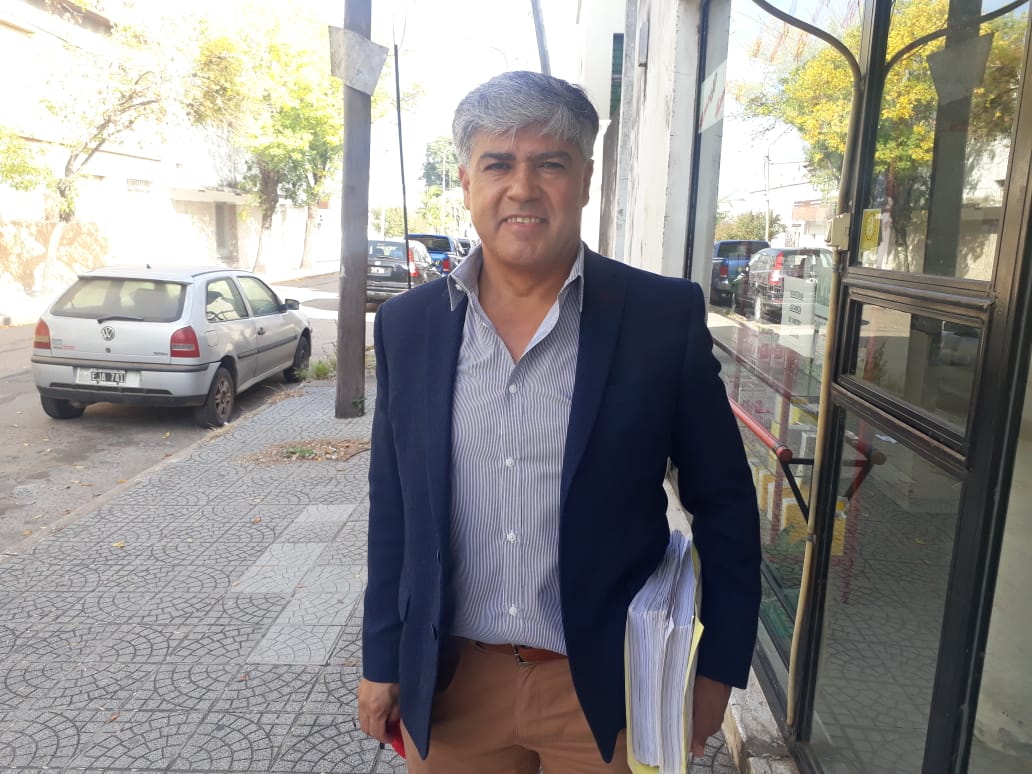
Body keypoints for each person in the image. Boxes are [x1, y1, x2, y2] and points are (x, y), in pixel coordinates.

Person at [358, 70, 761, 773]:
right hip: (454, 688)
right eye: (498, 164)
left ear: (585, 180)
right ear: (466, 182)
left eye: (550, 163)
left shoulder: (659, 318)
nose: (522, 187)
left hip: (609, 688)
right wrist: (381, 656)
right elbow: (394, 505)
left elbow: (725, 503)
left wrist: (717, 671)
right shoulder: (407, 325)